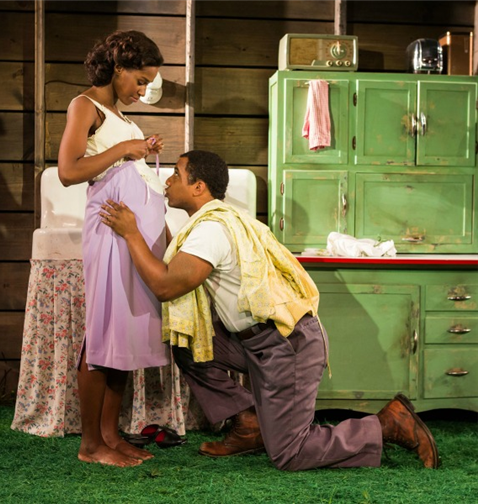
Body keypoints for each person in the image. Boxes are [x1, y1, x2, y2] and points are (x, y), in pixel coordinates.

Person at [99, 150, 441, 471]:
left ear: (198, 187)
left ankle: (388, 424)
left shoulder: (211, 230)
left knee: (290, 453)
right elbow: (177, 263)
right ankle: (249, 424)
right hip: (255, 342)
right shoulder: (218, 221)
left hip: (287, 345)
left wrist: (131, 234)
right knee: (187, 343)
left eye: (176, 173)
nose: (168, 180)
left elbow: (166, 286)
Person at [57, 30, 170, 467]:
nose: (143, 91)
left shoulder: (121, 115)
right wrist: (125, 148)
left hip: (128, 237)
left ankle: (109, 435)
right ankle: (90, 444)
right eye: (140, 81)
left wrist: (139, 150)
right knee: (104, 332)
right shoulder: (84, 105)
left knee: (121, 333)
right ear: (118, 68)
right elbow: (69, 170)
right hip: (108, 232)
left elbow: (121, 164)